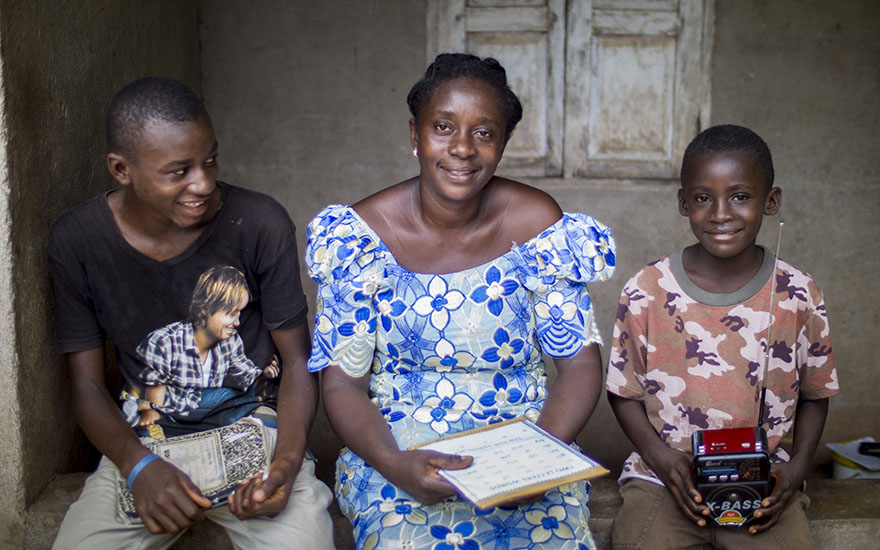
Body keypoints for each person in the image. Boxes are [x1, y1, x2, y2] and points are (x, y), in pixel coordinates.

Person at [307, 53, 616, 549]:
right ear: (415, 135)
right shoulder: (360, 238)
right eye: (444, 127)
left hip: (526, 441)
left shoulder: (536, 225)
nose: (462, 149)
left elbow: (579, 367)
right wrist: (395, 465)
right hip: (399, 447)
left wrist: (534, 462)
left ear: (503, 144)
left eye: (484, 133)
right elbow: (343, 385)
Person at [49, 77, 333, 548]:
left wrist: (283, 465)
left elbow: (298, 362)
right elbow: (86, 384)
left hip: (256, 435)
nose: (202, 183)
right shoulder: (78, 242)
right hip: (146, 440)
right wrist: (137, 465)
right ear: (122, 169)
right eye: (178, 171)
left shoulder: (259, 222)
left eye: (210, 161)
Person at [605, 124, 838, 549]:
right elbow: (623, 392)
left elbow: (815, 393)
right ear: (683, 203)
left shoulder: (800, 293)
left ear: (771, 202)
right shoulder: (647, 289)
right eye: (701, 198)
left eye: (740, 196)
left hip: (763, 481)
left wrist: (799, 466)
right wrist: (661, 459)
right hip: (664, 480)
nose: (720, 213)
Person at [134, 265, 279, 426]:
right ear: (206, 308)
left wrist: (264, 372)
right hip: (173, 414)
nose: (237, 322)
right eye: (231, 314)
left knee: (240, 396)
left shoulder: (231, 340)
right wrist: (154, 421)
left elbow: (244, 372)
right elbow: (152, 395)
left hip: (210, 411)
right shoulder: (164, 342)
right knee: (228, 397)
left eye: (239, 313)